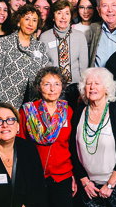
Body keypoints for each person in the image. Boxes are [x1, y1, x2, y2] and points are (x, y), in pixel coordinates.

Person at [69, 68, 116, 207]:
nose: (92, 87)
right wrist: (84, 181)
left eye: (97, 83)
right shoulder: (77, 113)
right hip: (89, 187)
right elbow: (73, 149)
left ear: (106, 88)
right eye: (88, 83)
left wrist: (110, 185)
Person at [18, 67, 76, 207]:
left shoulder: (68, 111)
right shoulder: (27, 111)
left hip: (63, 176)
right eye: (47, 84)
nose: (52, 89)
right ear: (38, 87)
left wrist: (74, 175)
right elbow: (20, 145)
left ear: (62, 87)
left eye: (57, 84)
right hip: (35, 176)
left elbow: (73, 146)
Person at [0, 4, 49, 108]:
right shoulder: (4, 43)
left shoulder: (40, 47)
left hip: (32, 105)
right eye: (27, 19)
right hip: (7, 104)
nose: (31, 24)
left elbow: (44, 77)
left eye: (34, 20)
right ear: (19, 22)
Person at [39, 0, 89, 109]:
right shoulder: (44, 37)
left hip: (75, 87)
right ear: (53, 17)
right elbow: (43, 66)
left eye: (67, 13)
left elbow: (84, 66)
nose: (63, 17)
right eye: (59, 13)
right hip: (53, 88)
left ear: (71, 16)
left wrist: (83, 89)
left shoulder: (80, 36)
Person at [86, 0, 116, 67]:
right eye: (105, 6)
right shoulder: (94, 29)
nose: (110, 10)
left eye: (114, 5)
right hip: (98, 78)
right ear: (99, 11)